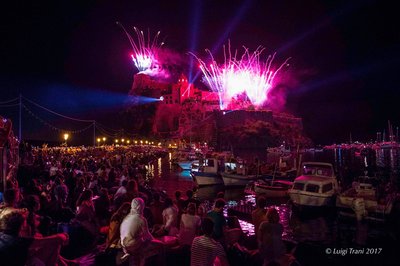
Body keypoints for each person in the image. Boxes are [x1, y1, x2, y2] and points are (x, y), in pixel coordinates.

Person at [120, 198, 165, 266]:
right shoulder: (141, 219)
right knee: (160, 245)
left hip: (124, 246)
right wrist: (157, 241)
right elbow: (148, 236)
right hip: (134, 247)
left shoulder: (127, 217)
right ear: (141, 206)